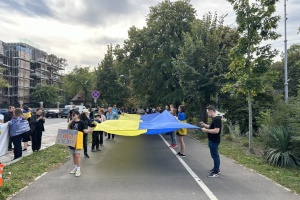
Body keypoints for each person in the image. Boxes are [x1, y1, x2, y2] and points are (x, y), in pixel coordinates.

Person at [68, 110, 92, 177]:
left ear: (78, 115)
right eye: (72, 115)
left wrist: (89, 131)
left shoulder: (81, 122)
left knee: (77, 155)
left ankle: (78, 169)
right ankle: (75, 167)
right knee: (73, 155)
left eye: (74, 115)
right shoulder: (72, 123)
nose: (72, 116)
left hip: (78, 141)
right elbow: (69, 130)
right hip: (72, 141)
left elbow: (84, 130)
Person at [200, 105, 222, 178]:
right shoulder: (214, 119)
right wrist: (204, 125)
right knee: (213, 155)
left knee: (215, 156)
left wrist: (205, 130)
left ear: (211, 111)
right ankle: (216, 168)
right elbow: (211, 127)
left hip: (214, 140)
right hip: (212, 140)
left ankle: (216, 172)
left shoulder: (217, 119)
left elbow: (216, 130)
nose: (207, 114)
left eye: (207, 112)